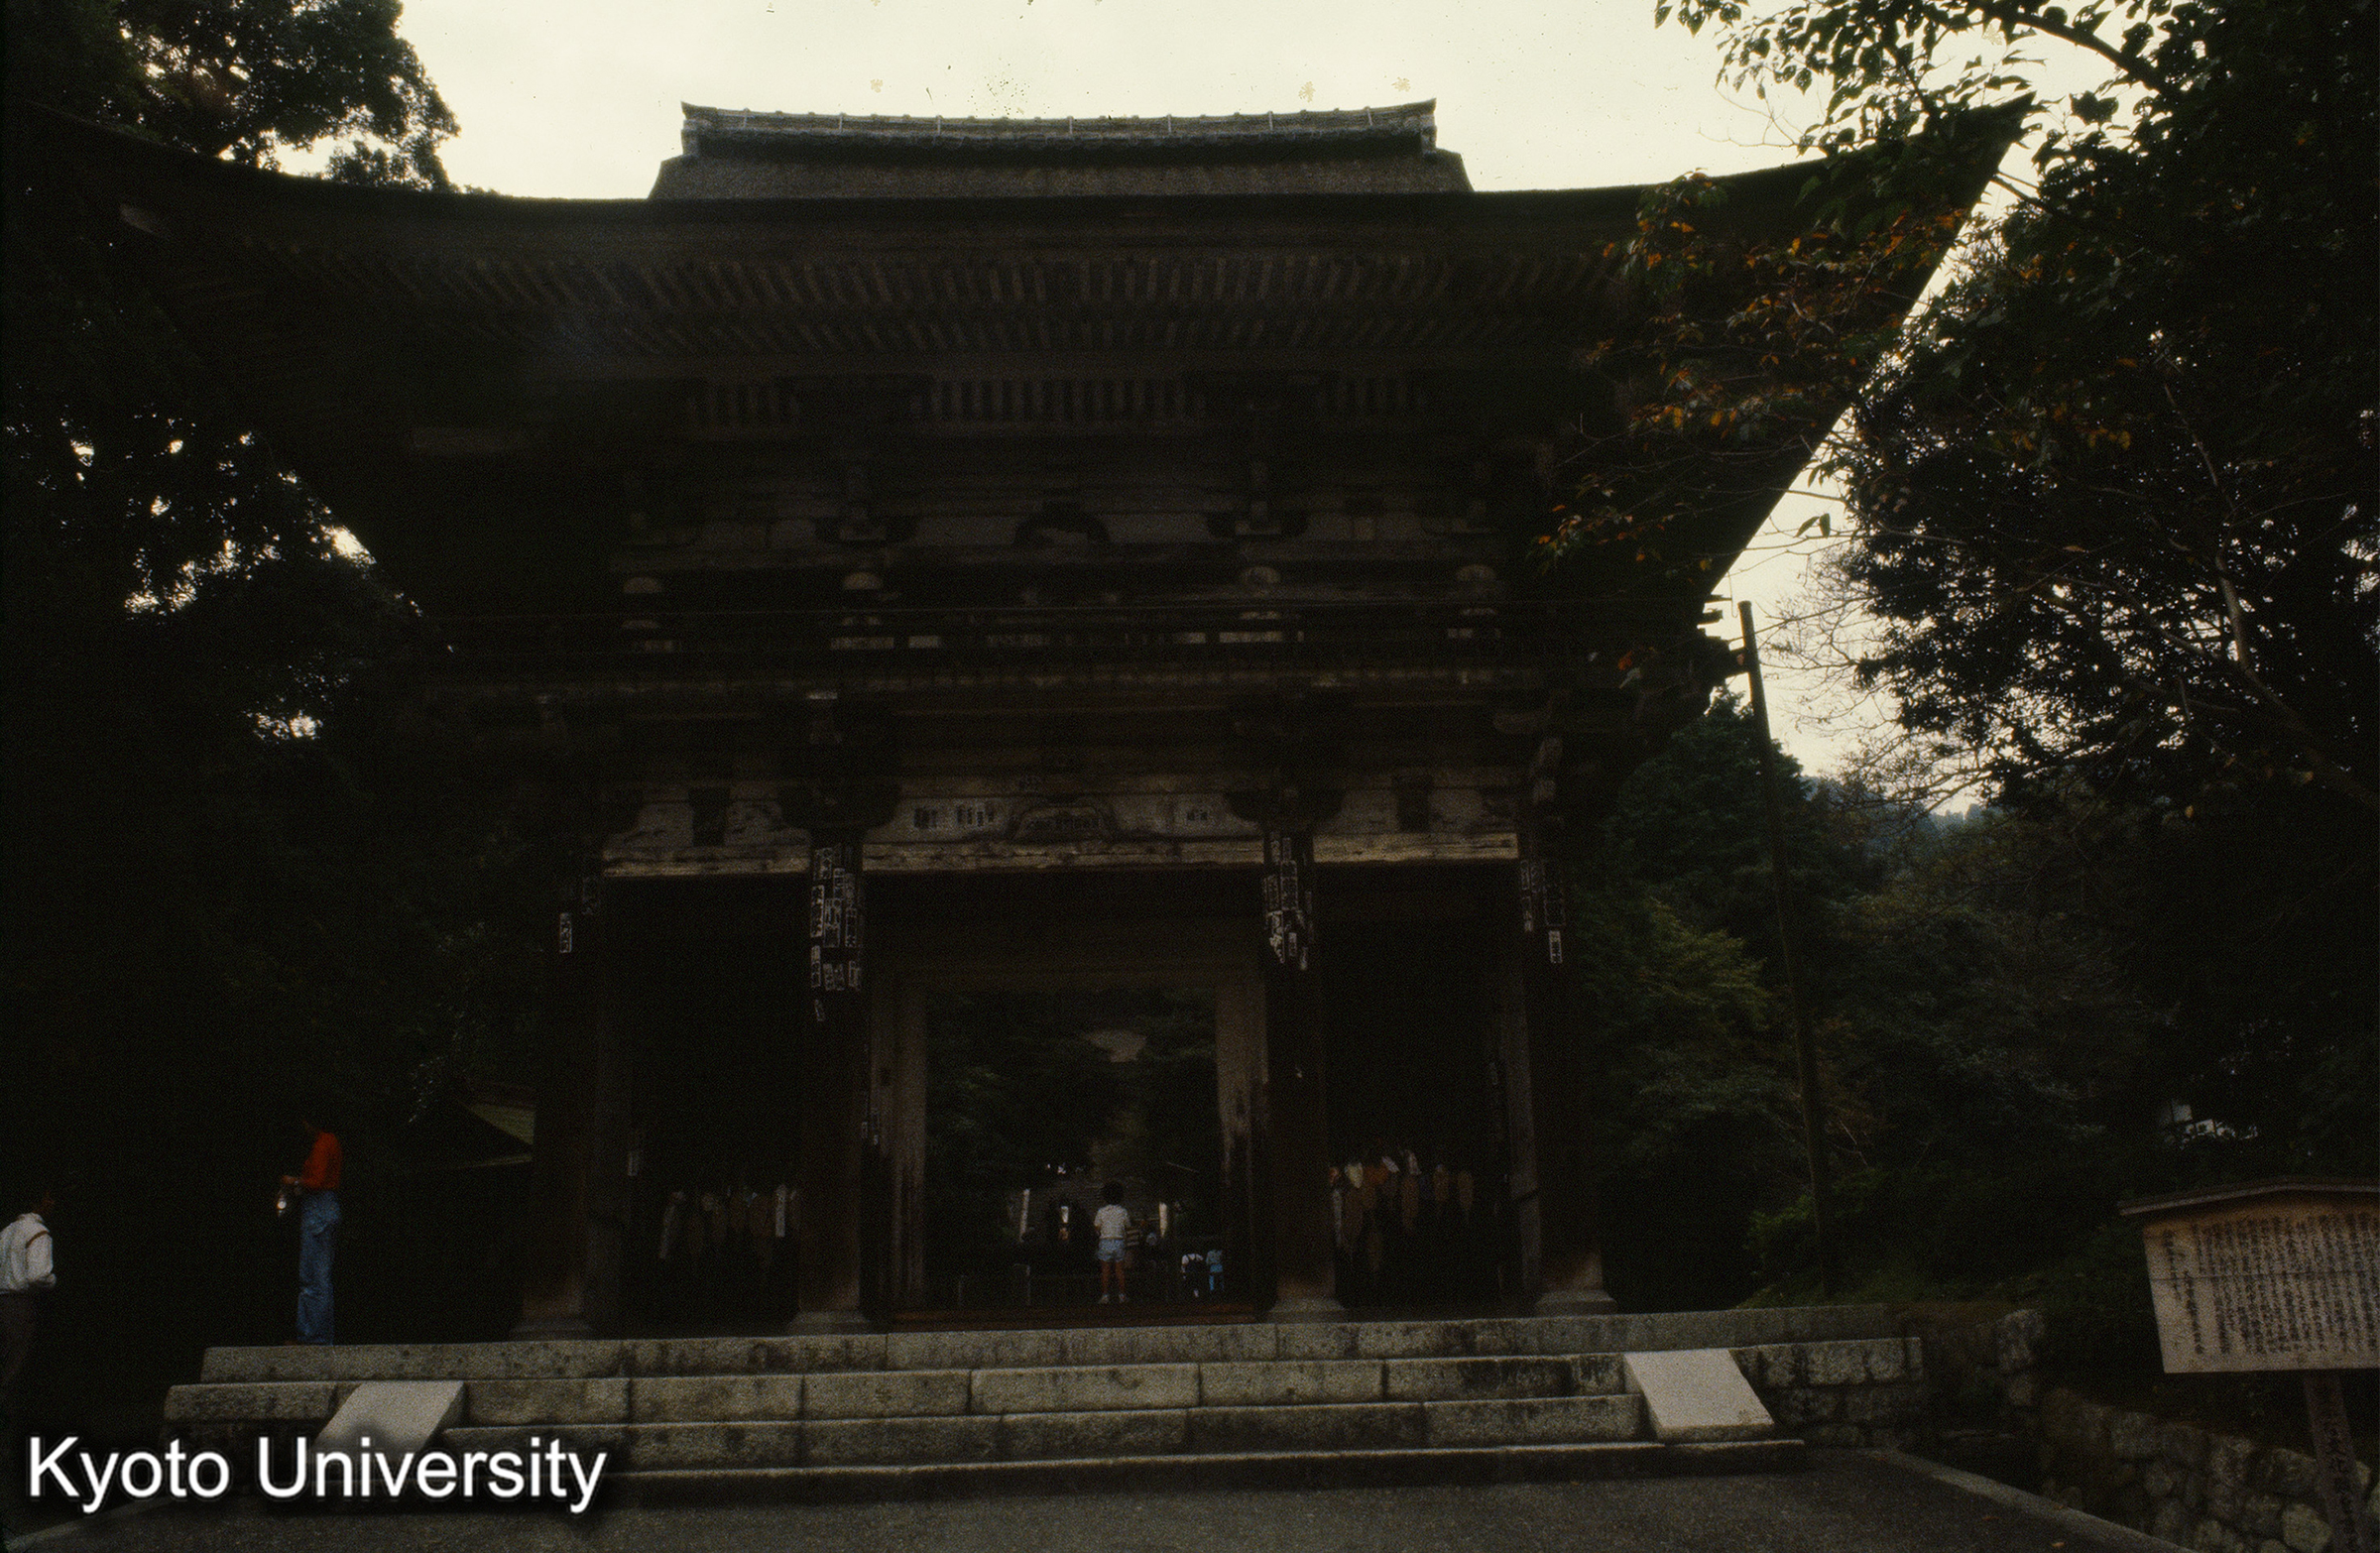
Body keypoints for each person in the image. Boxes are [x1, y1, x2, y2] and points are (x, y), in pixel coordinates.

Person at [280, 1120, 342, 1345]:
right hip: (326, 1207)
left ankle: (312, 1337)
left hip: (319, 1208)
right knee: (319, 1277)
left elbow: (316, 1181)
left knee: (313, 1277)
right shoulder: (331, 1141)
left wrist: (294, 1181)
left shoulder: (323, 1143)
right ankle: (319, 1336)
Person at [0, 1187, 57, 1406]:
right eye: (48, 1198)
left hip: (2, 1302)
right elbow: (37, 1276)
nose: (52, 1203)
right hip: (19, 1305)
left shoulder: (6, 1232)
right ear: (37, 1203)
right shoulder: (37, 1232)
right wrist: (53, 1280)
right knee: (15, 1364)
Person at [1093, 1182, 1131, 1304]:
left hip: (1105, 1241)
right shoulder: (1123, 1211)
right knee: (1119, 1270)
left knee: (1105, 1270)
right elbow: (1128, 1226)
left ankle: (1105, 1296)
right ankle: (1122, 1295)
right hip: (1119, 1240)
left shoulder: (1101, 1211)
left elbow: (1097, 1227)